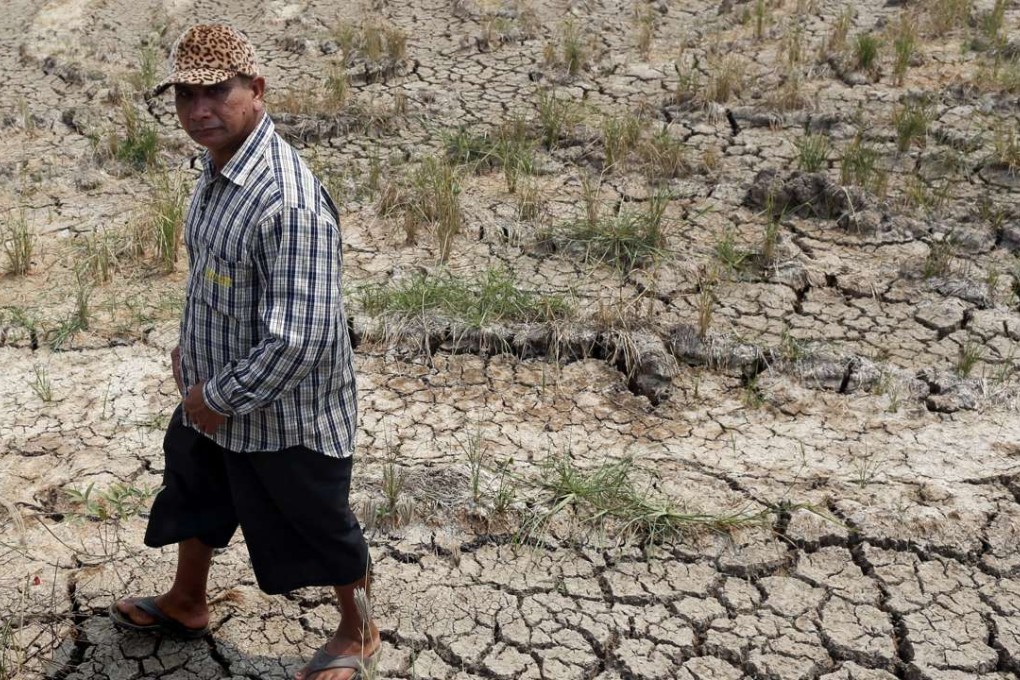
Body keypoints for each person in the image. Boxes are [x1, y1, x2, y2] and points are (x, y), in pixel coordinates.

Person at [108, 24, 380, 680]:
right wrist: (190, 357)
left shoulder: (286, 200)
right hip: (213, 396)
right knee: (196, 490)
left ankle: (360, 630)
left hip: (284, 414)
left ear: (255, 90)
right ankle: (187, 601)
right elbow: (212, 278)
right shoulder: (218, 166)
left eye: (216, 92)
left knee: (320, 524)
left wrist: (218, 396)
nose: (198, 110)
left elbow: (304, 338)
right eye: (185, 96)